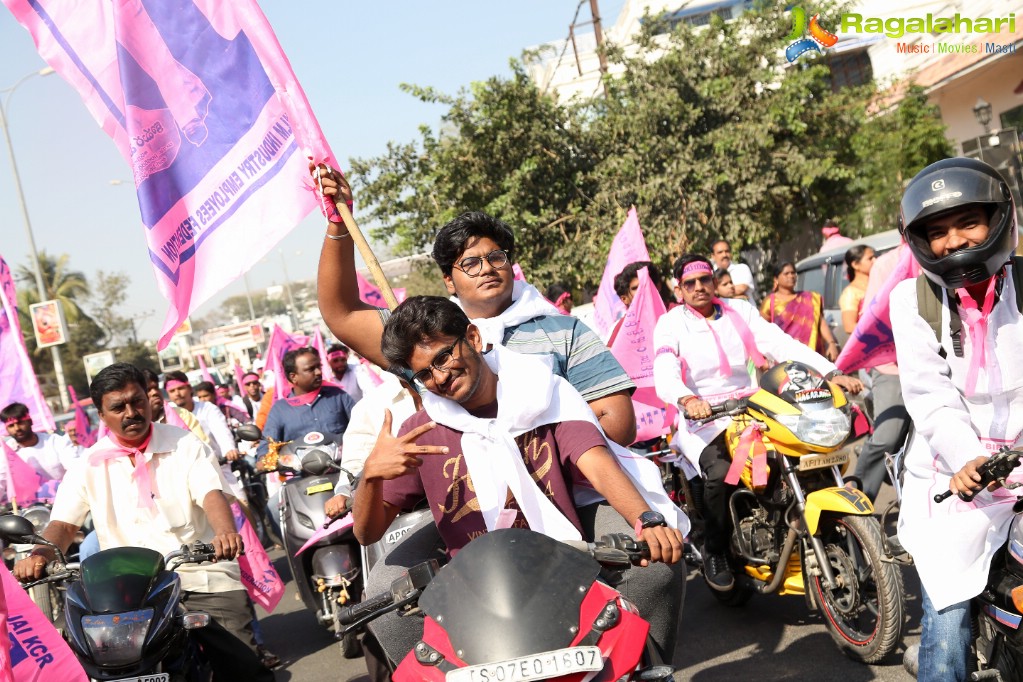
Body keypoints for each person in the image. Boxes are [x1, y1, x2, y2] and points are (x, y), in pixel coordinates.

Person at [354, 296, 687, 664]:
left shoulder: (542, 391)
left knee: (657, 568)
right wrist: (370, 476)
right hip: (471, 586)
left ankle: (645, 670)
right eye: (424, 374)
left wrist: (648, 518)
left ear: (473, 338)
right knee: (384, 600)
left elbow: (597, 463)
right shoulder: (419, 431)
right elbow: (368, 534)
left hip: (566, 557)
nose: (440, 377)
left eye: (443, 357)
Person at [312, 163, 638, 448]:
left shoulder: (565, 331)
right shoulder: (425, 339)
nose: (486, 268)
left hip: (576, 496)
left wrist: (528, 459)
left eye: (496, 257)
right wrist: (338, 226)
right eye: (470, 263)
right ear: (448, 281)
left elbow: (617, 423)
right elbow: (342, 314)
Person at [12, 363, 274, 682]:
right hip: (126, 593)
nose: (131, 412)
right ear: (101, 414)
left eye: (137, 401)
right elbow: (64, 526)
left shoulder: (185, 445)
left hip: (198, 572)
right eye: (118, 407)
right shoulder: (88, 463)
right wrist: (40, 556)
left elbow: (211, 493)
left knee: (243, 666)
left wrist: (224, 533)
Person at [653, 255, 862, 590]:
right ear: (679, 289)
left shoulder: (740, 310)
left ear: (712, 280)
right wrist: (688, 399)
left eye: (704, 280)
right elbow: (663, 371)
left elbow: (781, 344)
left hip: (752, 403)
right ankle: (716, 550)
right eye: (689, 284)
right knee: (722, 474)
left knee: (800, 451)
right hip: (704, 417)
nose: (698, 288)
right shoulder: (670, 323)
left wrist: (831, 372)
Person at [890, 158, 1022, 681]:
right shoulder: (912, 300)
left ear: (998, 220)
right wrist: (968, 459)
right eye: (937, 232)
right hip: (953, 480)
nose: (953, 242)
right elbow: (930, 395)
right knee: (947, 628)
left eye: (968, 222)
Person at [851, 246, 912, 502]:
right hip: (893, 366)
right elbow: (873, 317)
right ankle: (855, 506)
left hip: (941, 363)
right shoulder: (887, 264)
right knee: (887, 437)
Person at [255, 347, 355, 458]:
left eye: (318, 367)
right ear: (293, 377)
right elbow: (267, 444)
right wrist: (263, 458)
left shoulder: (338, 396)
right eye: (310, 369)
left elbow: (362, 426)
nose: (318, 372)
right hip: (300, 473)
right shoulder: (280, 409)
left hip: (344, 468)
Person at [760, 262, 839, 361]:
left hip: (810, 353)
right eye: (786, 273)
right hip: (782, 354)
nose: (791, 276)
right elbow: (762, 329)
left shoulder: (810, 298)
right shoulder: (770, 301)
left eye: (793, 273)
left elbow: (821, 323)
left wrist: (831, 343)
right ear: (776, 279)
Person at [164, 372, 241, 463]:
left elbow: (221, 431)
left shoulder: (207, 408)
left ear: (189, 389)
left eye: (180, 388)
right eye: (172, 391)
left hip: (218, 464)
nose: (177, 393)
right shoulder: (167, 416)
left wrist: (229, 449)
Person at [2, 402, 80, 484]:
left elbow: (75, 470)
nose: (17, 428)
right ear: (7, 429)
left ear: (30, 421)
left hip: (63, 494)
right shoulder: (5, 452)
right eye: (11, 426)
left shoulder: (56, 442)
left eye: (20, 423)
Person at [839, 245, 876, 334]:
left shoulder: (878, 283)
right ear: (855, 265)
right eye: (870, 258)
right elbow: (849, 326)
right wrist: (878, 330)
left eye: (875, 257)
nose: (875, 260)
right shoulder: (851, 292)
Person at [710, 239, 757, 305]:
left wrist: (718, 293)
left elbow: (742, 288)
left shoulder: (742, 268)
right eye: (720, 252)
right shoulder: (710, 273)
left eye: (727, 251)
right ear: (713, 256)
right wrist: (737, 296)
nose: (724, 255)